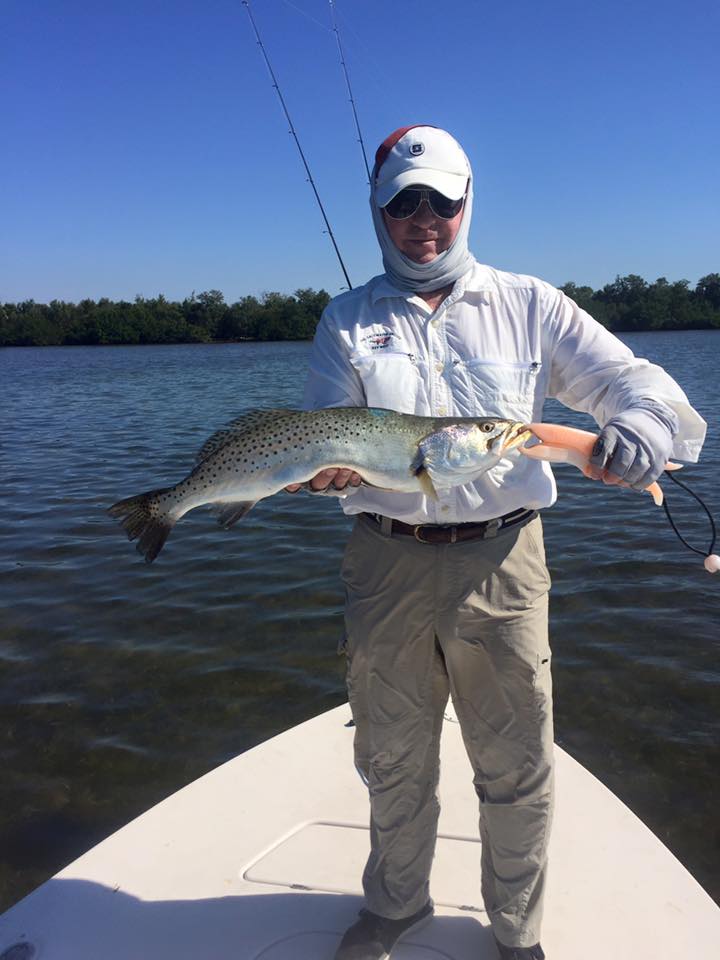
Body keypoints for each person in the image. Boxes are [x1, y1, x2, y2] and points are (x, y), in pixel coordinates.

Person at [289, 125, 706, 960]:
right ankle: (396, 907)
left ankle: (516, 934)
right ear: (378, 212)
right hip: (384, 558)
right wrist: (322, 470)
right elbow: (321, 433)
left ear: (467, 202)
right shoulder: (347, 320)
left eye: (440, 200)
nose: (423, 219)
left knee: (516, 762)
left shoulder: (529, 303)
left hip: (505, 563)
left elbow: (631, 380)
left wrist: (642, 422)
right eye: (403, 204)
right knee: (393, 754)